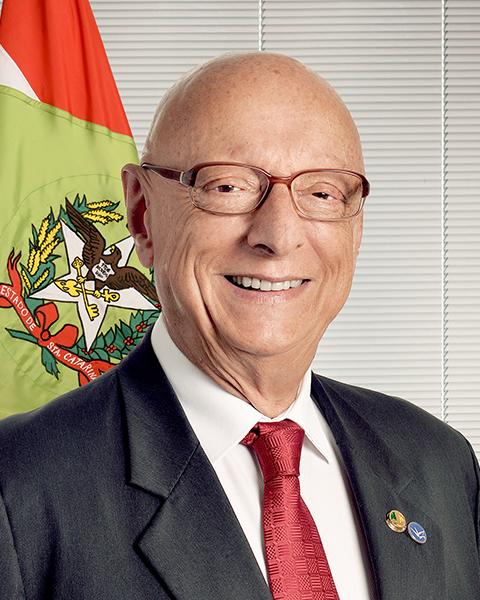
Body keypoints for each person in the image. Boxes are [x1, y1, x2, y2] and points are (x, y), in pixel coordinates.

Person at [0, 52, 478, 600]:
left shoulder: (440, 462)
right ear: (142, 214)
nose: (278, 236)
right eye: (227, 186)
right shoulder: (18, 485)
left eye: (322, 193)